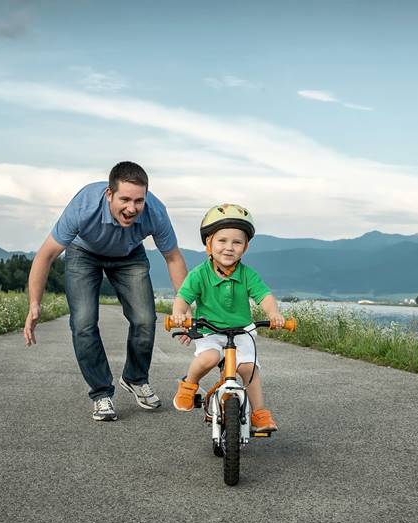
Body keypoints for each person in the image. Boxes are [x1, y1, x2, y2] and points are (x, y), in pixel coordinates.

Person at [24, 161, 188, 422]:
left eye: (138, 201)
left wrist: (185, 304)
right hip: (83, 253)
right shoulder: (84, 207)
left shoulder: (155, 211)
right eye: (124, 199)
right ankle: (101, 393)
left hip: (129, 254)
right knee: (84, 322)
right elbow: (46, 255)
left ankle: (135, 378)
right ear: (109, 194)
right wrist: (35, 303)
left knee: (145, 319)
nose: (132, 208)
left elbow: (173, 258)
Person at [170, 203, 285, 432]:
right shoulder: (199, 274)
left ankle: (260, 413)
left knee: (248, 368)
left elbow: (265, 296)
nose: (229, 248)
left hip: (242, 331)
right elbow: (183, 297)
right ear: (209, 244)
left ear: (246, 247)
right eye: (222, 241)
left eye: (237, 242)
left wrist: (274, 313)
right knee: (209, 358)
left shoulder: (247, 274)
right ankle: (188, 385)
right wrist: (178, 314)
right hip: (209, 330)